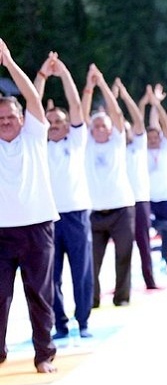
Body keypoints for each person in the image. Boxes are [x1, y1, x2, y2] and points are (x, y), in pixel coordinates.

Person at [0, 39, 59, 373]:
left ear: (23, 118)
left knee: (39, 294)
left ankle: (44, 354)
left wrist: (8, 61)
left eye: (11, 116)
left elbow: (33, 98)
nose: (6, 121)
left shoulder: (34, 136)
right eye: (1, 117)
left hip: (37, 227)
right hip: (1, 232)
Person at [35, 52, 94, 339]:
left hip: (77, 212)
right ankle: (59, 324)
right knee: (50, 275)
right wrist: (42, 76)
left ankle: (83, 321)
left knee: (81, 272)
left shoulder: (76, 140)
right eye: (51, 122)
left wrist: (64, 73)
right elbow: (33, 106)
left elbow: (74, 105)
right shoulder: (38, 147)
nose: (56, 124)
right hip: (47, 216)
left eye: (60, 121)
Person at [82, 64, 136, 307]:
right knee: (91, 260)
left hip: (121, 208)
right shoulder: (86, 144)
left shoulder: (116, 141)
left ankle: (121, 297)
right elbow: (81, 116)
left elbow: (116, 114)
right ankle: (92, 299)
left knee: (123, 255)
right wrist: (89, 88)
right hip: (95, 212)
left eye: (104, 126)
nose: (100, 129)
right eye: (96, 126)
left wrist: (102, 82)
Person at [114, 77, 159, 290]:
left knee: (143, 243)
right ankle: (122, 285)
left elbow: (138, 120)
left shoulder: (138, 145)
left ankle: (149, 280)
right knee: (121, 248)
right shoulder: (113, 147)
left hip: (139, 200)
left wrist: (123, 96)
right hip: (121, 202)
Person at [139, 84, 167, 272]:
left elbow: (163, 123)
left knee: (166, 231)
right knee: (148, 228)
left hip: (166, 195)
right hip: (148, 197)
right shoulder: (141, 151)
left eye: (156, 137)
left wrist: (157, 104)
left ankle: (164, 260)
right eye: (150, 137)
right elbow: (145, 123)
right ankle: (147, 262)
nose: (153, 139)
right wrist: (149, 104)